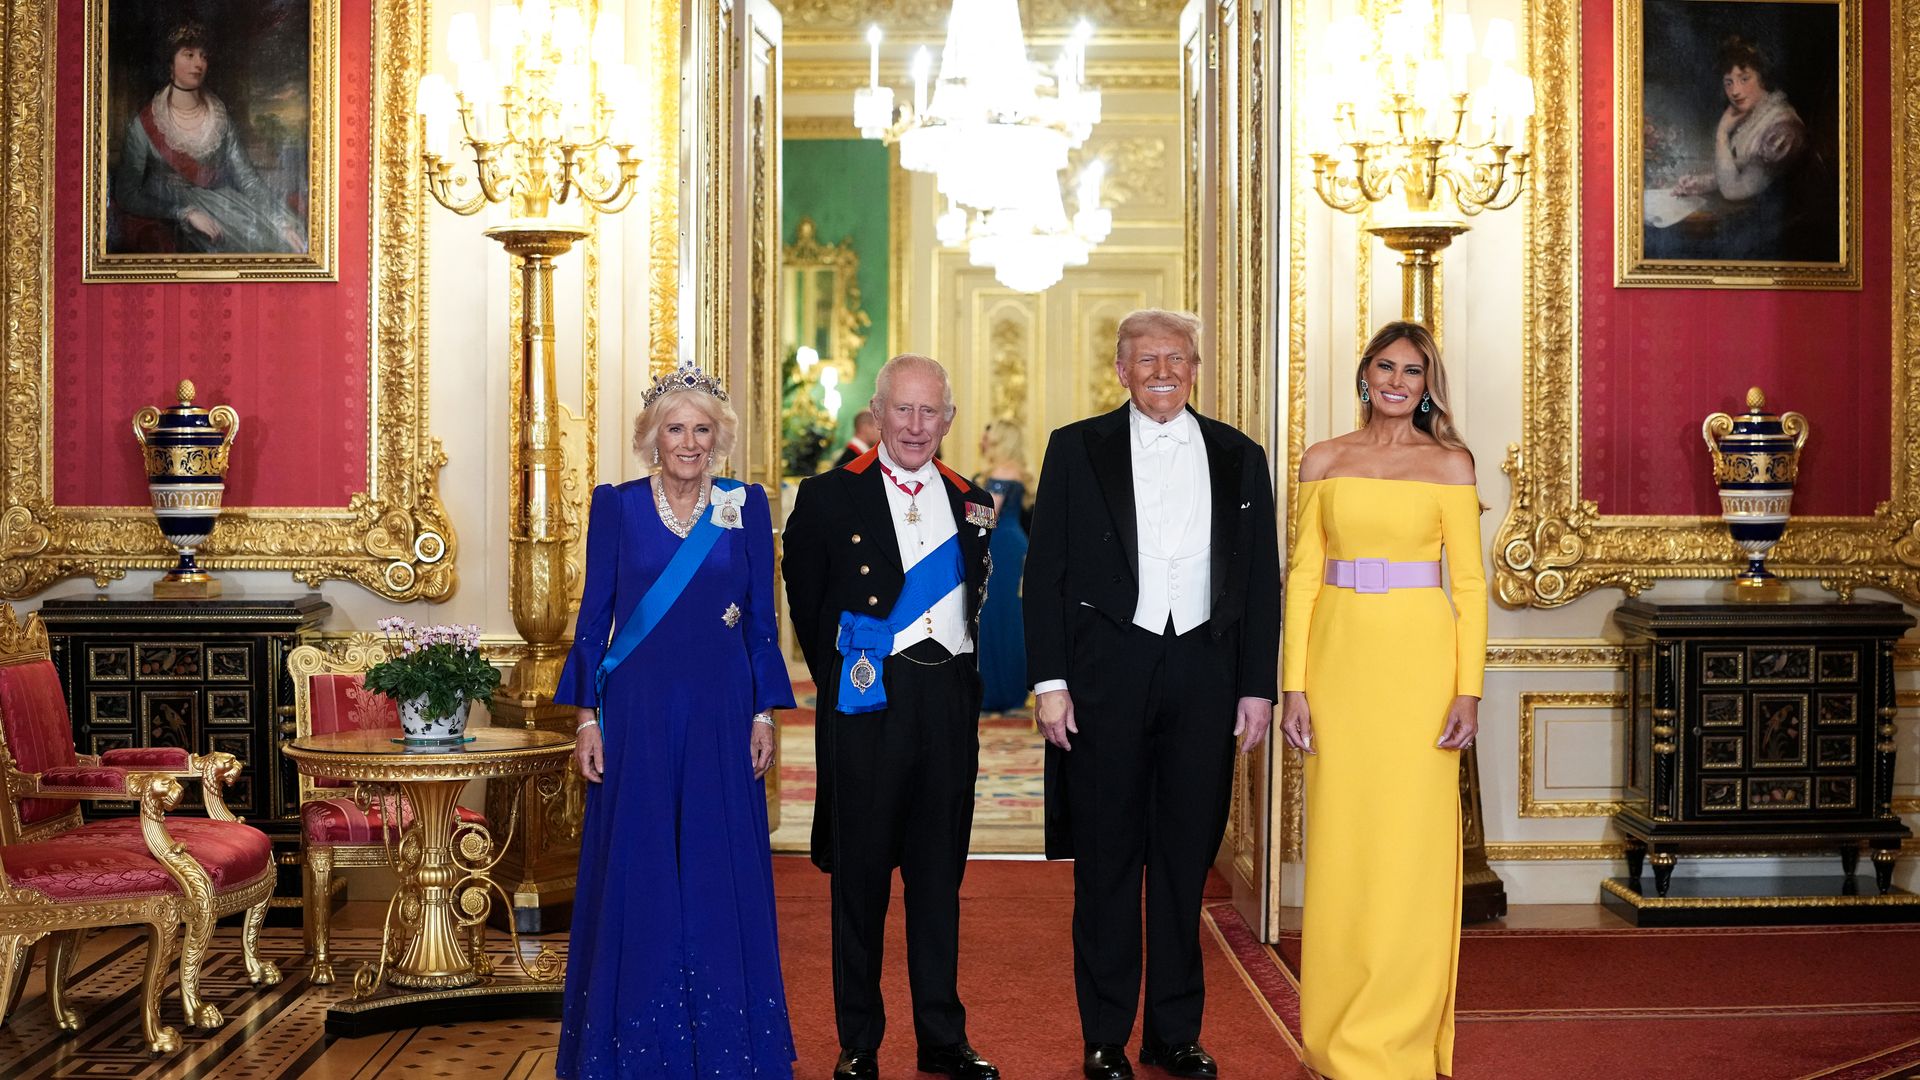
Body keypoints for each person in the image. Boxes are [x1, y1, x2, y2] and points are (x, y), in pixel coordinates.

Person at [1025, 309, 1281, 1080]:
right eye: (1145, 359)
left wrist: (1257, 688)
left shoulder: (1241, 455)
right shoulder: (1075, 448)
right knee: (1106, 863)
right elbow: (1046, 576)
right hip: (1107, 674)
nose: (1161, 370)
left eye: (1175, 357)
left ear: (1196, 367)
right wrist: (1050, 682)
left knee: (1183, 863)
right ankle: (1105, 1037)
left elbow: (1261, 583)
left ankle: (1174, 1034)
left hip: (1206, 674)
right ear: (1121, 369)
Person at [553, 361, 796, 1079]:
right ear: (651, 437)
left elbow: (761, 620)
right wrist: (587, 720)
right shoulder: (617, 506)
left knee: (720, 868)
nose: (689, 443)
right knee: (642, 865)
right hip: (639, 712)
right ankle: (634, 1044)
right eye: (675, 429)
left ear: (718, 438)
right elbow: (595, 620)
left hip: (722, 710)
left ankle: (727, 1045)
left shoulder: (744, 504)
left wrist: (763, 713)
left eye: (702, 430)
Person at [783, 355, 1001, 1080]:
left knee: (939, 880)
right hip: (867, 701)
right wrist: (851, 675)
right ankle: (860, 1041)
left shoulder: (973, 502)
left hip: (947, 704)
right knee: (862, 882)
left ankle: (943, 1037)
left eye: (929, 412)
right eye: (900, 411)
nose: (914, 426)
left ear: (949, 419)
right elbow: (808, 600)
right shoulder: (826, 497)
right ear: (876, 415)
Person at [1279, 320, 1486, 1080]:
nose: (1399, 381)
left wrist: (1469, 689)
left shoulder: (1452, 465)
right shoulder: (1324, 459)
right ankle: (1334, 1041)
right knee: (1344, 850)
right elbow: (1302, 576)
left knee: (1412, 854)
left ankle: (1398, 1042)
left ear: (1429, 385)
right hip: (1338, 666)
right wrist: (1293, 683)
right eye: (1387, 366)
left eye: (1415, 371)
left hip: (1420, 671)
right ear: (1365, 373)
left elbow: (1468, 586)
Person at [111, 22, 306, 255]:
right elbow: (127, 193)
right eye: (189, 55)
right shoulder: (144, 124)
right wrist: (183, 212)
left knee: (283, 241)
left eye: (203, 56)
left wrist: (279, 223)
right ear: (170, 65)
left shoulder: (219, 116)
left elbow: (247, 179)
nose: (198, 63)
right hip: (172, 209)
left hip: (222, 202)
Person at [1657, 36, 1817, 260]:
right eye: (1728, 82)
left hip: (1777, 235)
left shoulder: (1782, 129)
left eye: (1744, 78)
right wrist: (1704, 183)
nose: (1735, 91)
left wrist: (1722, 133)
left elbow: (1735, 191)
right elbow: (1742, 166)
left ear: (1762, 78)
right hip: (1752, 221)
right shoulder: (1757, 115)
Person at [975, 419, 1032, 713]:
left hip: (1000, 549)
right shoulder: (1016, 471)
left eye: (988, 437)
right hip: (1012, 545)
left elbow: (986, 517)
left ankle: (996, 691)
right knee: (1009, 619)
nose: (982, 441)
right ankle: (1009, 689)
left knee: (995, 619)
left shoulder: (1000, 472)